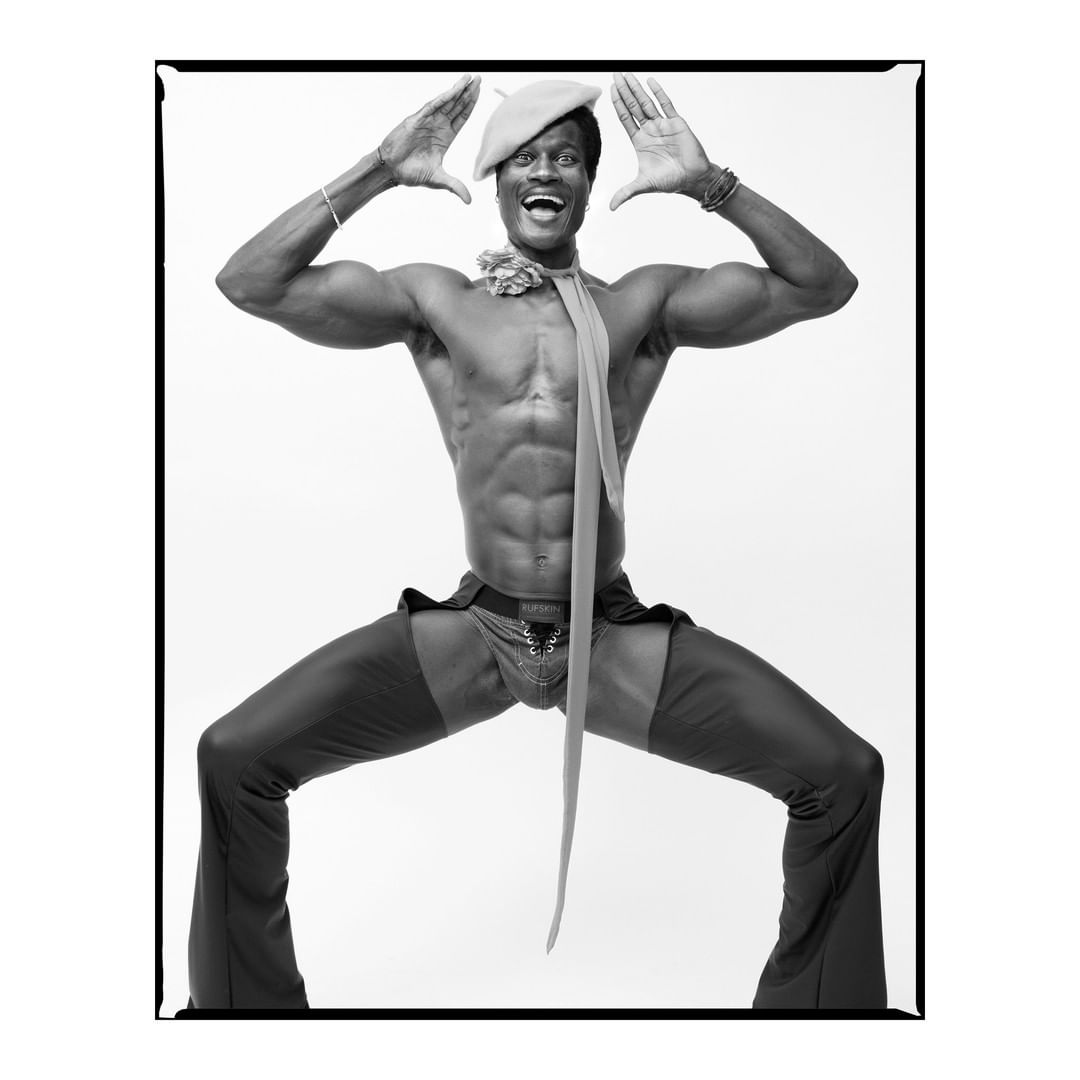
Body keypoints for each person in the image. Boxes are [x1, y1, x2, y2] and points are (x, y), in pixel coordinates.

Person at [187, 72, 886, 1011]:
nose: (545, 171)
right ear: (498, 179)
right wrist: (378, 170)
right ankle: (244, 1026)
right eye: (523, 158)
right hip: (477, 635)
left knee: (843, 775)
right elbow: (250, 283)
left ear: (589, 184)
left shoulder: (642, 306)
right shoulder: (436, 303)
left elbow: (823, 287)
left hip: (608, 639)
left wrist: (711, 185)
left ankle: (823, 1030)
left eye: (565, 158)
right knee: (234, 756)